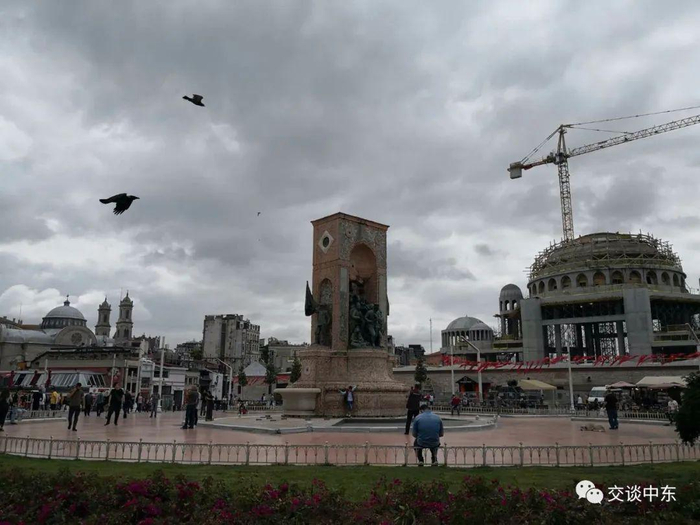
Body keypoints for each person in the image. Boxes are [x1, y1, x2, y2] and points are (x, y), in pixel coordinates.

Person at [412, 402, 444, 466]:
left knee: (416, 443)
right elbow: (441, 434)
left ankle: (420, 460)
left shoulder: (417, 418)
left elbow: (414, 434)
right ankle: (434, 459)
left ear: (421, 410)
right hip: (434, 442)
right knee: (434, 441)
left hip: (422, 442)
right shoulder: (438, 418)